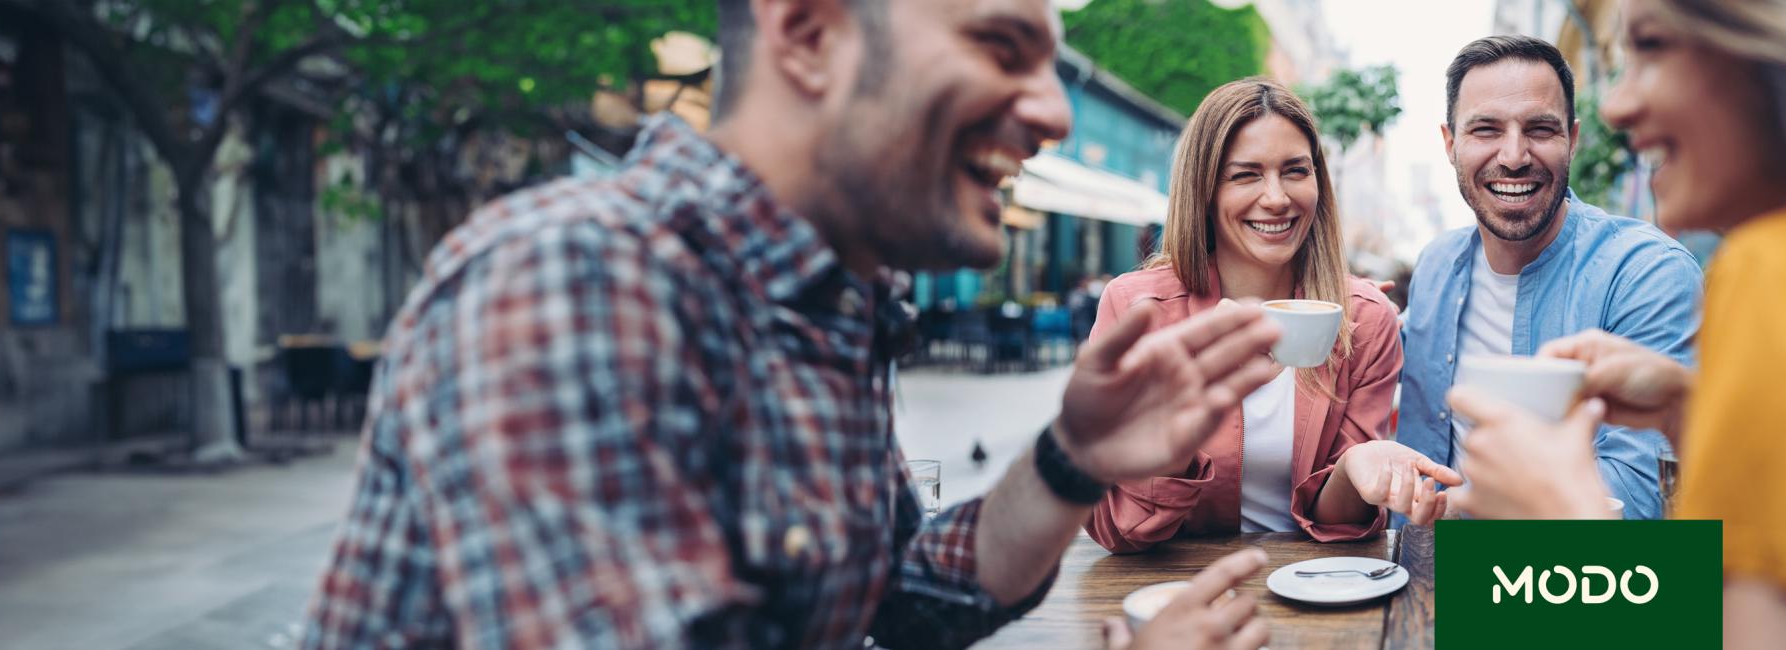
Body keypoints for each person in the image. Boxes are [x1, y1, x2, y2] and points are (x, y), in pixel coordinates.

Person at [300, 1, 1281, 648]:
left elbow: (903, 593)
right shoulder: (576, 278)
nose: (1052, 112)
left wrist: (1072, 457)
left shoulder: (830, 300)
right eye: (1000, 47)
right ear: (810, 34)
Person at [1448, 0, 1786, 646]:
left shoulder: (1779, 271)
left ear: (1773, 52)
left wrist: (1563, 530)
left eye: (1654, 47)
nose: (1618, 105)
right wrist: (1688, 410)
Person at [1084, 79, 1458, 555]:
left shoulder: (1364, 317)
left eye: (1295, 171)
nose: (1277, 197)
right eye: (1246, 175)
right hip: (1177, 595)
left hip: (1314, 594)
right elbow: (1117, 530)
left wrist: (1356, 468)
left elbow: (1338, 525)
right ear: (1204, 189)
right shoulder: (1137, 311)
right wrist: (1179, 426)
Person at [1395, 35, 1704, 520]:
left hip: (1571, 583)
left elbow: (1640, 499)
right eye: (1486, 130)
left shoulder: (1647, 273)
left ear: (1572, 140)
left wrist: (1450, 507)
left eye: (1539, 129)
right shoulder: (1436, 265)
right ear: (1450, 144)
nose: (1514, 155)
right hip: (1418, 577)